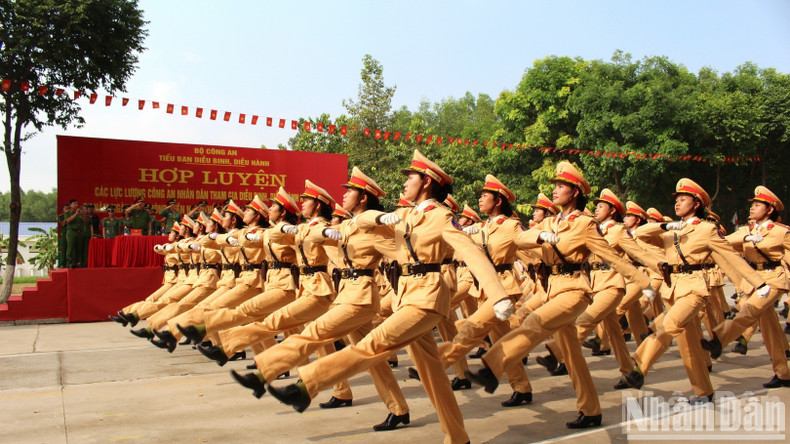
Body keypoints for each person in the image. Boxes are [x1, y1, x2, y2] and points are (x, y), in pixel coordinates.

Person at [266, 151, 512, 444]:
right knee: (434, 377)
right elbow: (364, 221)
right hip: (406, 297)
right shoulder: (404, 214)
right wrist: (380, 214)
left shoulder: (442, 217)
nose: (405, 182)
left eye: (411, 177)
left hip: (428, 298)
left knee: (373, 343)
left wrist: (498, 295)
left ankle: (308, 384)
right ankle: (458, 438)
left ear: (426, 182)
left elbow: (472, 253)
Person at [465, 161, 654, 429]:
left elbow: (613, 257)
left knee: (534, 322)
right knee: (573, 355)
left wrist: (644, 280)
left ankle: (491, 367)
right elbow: (521, 240)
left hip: (575, 289)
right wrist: (539, 236)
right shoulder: (552, 221)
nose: (555, 191)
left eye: (561, 186)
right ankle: (590, 410)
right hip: (553, 289)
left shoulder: (586, 224)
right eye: (555, 186)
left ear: (575, 192)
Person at [622, 178, 768, 404]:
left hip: (694, 289)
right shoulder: (671, 231)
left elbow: (731, 258)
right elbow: (637, 233)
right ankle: (704, 392)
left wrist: (758, 283)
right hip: (673, 291)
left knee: (668, 325)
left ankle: (640, 369)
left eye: (683, 199)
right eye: (677, 200)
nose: (678, 204)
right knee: (688, 346)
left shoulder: (707, 230)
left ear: (697, 204)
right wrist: (664, 225)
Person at [701, 185, 790, 388]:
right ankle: (783, 373)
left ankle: (719, 340)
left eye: (758, 205)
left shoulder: (780, 233)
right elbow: (725, 241)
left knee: (748, 310)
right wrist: (746, 238)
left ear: (769, 210)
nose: (752, 208)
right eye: (753, 204)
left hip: (773, 278)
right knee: (770, 330)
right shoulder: (746, 231)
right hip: (754, 280)